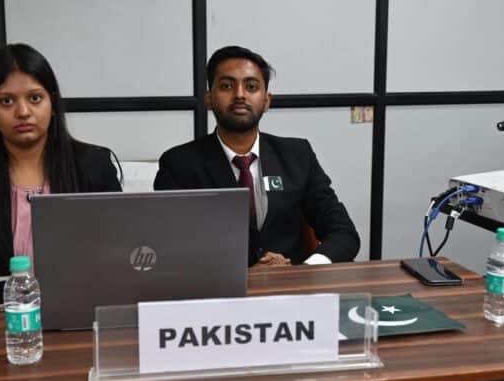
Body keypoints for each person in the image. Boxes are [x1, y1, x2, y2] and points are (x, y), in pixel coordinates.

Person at [154, 46, 359, 267]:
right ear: (209, 99)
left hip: (290, 284)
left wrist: (302, 270)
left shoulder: (297, 156)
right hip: (217, 285)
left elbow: (343, 233)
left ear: (267, 101)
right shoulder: (179, 164)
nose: (240, 95)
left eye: (251, 87)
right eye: (226, 86)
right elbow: (169, 246)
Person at [0, 43, 121, 279]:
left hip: (80, 300)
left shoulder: (94, 165)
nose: (23, 112)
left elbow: (119, 254)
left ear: (52, 104)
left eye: (35, 98)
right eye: (6, 101)